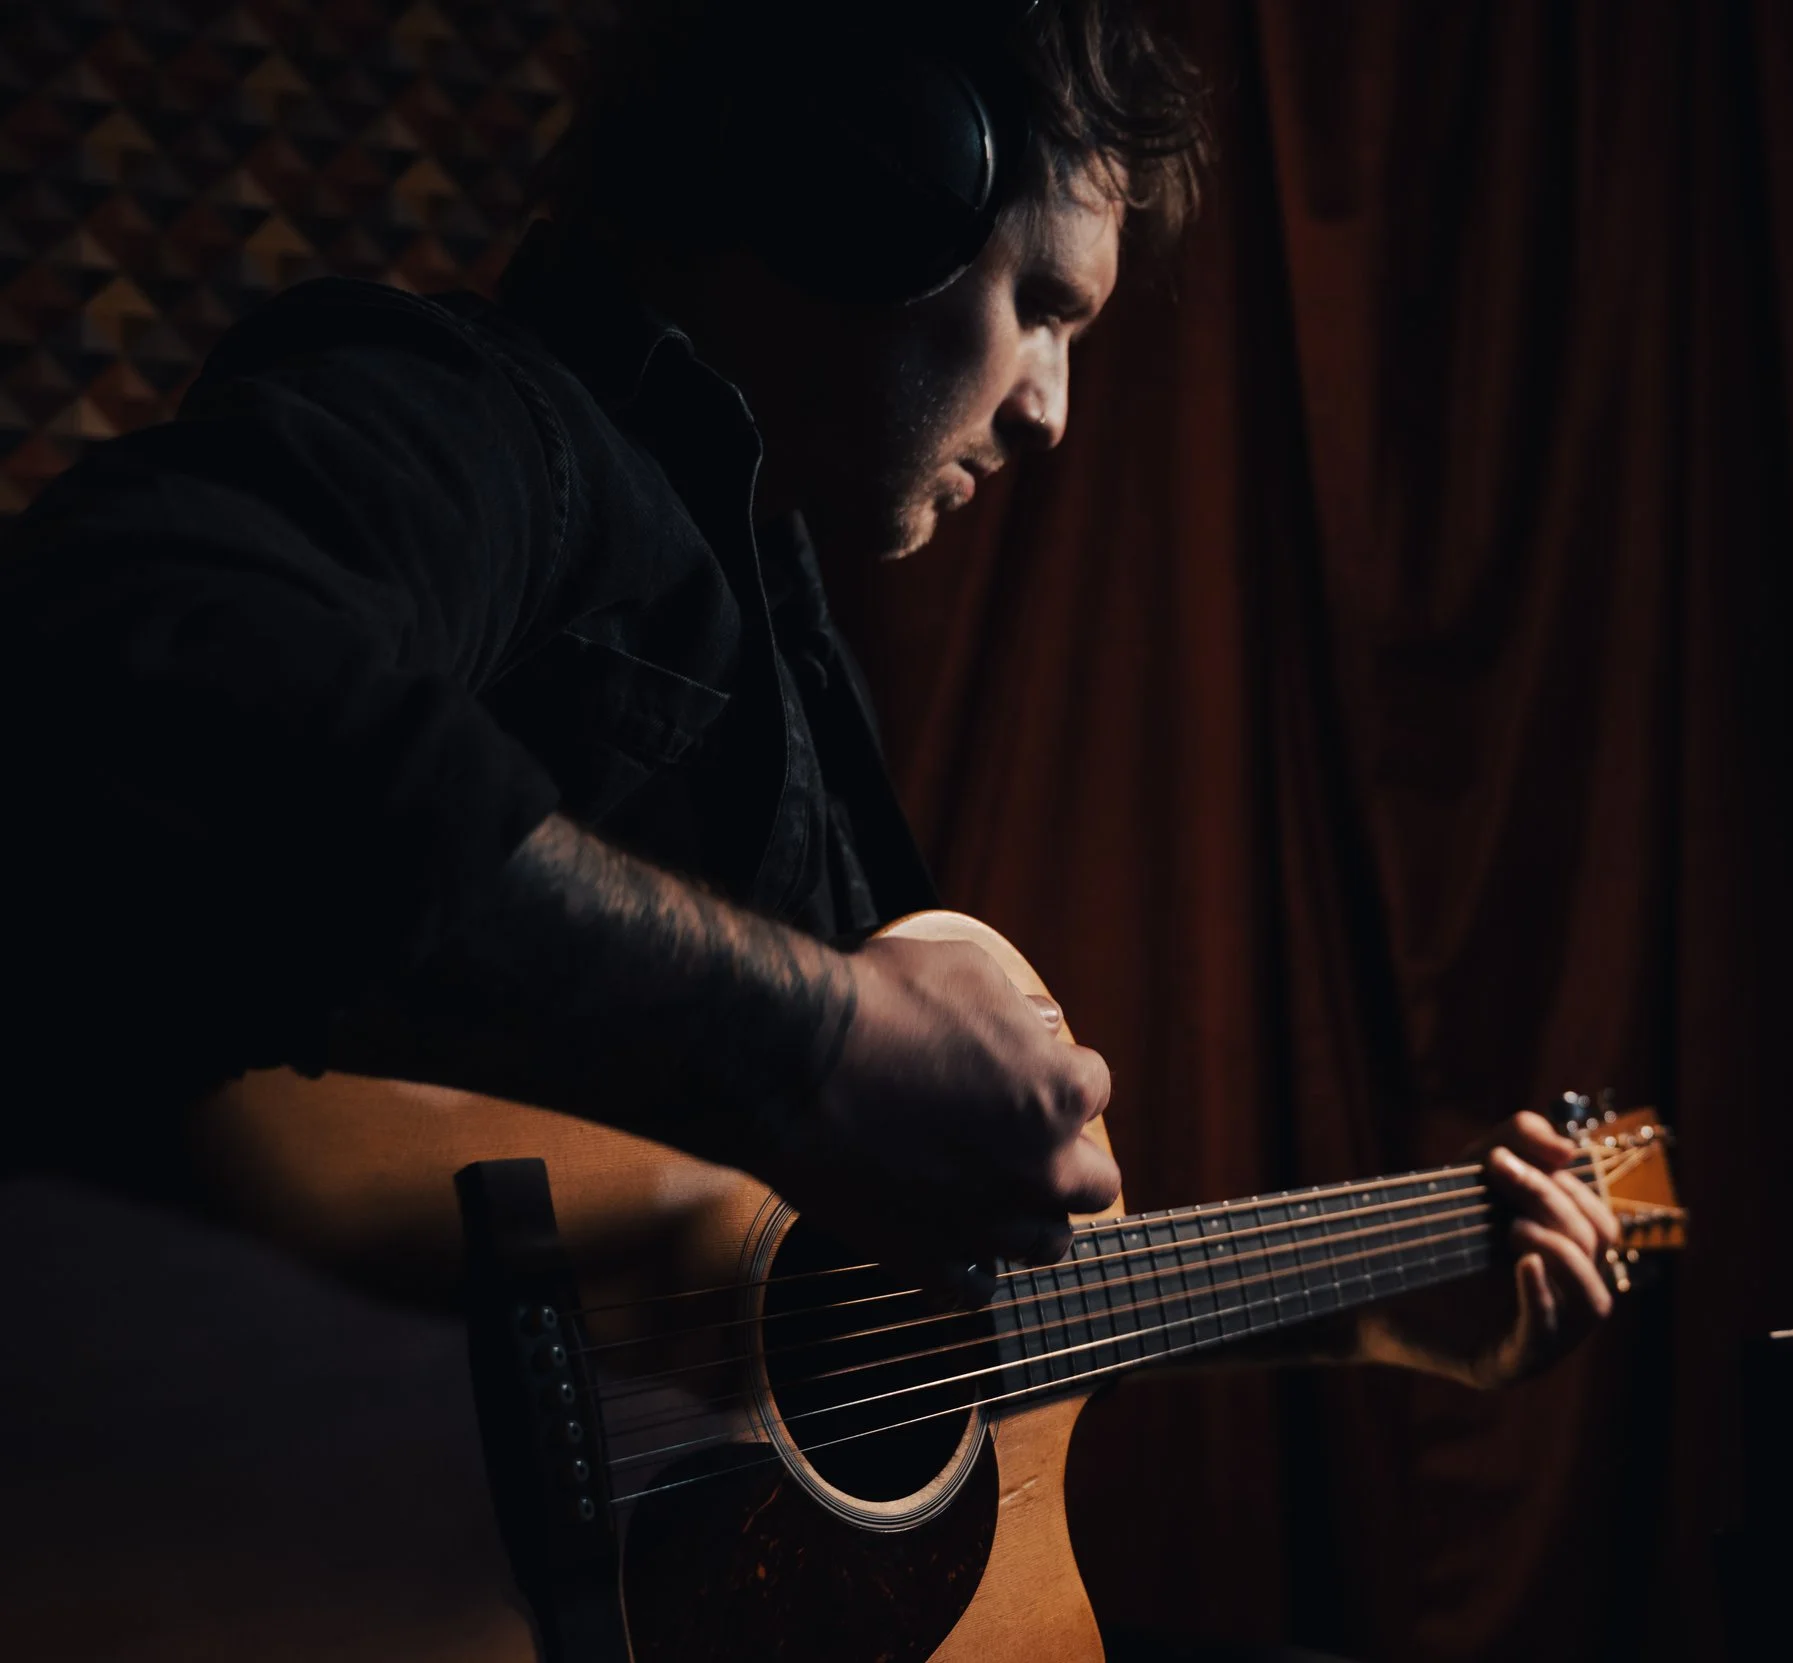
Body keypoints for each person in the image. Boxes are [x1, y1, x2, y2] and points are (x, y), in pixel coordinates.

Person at [0, 1, 1616, 1651]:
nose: (1053, 406)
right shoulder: (504, 426)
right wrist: (820, 1043)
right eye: (1043, 305)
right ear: (869, 187)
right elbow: (127, 652)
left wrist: (1394, 1310)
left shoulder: (780, 605)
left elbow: (835, 1329)